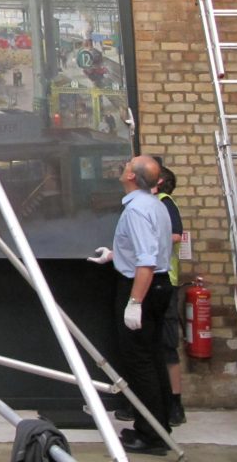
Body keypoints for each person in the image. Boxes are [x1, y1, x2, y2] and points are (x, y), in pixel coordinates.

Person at [87, 155, 173, 454]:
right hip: (158, 285)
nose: (122, 169)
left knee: (140, 362)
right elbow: (147, 250)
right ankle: (159, 428)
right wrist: (115, 255)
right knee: (152, 357)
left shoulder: (136, 210)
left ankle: (150, 436)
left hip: (142, 287)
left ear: (133, 178)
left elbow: (147, 261)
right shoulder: (154, 205)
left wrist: (134, 302)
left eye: (126, 167)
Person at [156, 165, 186, 426]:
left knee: (167, 346)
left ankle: (175, 404)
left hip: (166, 281)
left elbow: (176, 235)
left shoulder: (165, 203)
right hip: (152, 281)